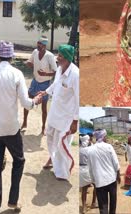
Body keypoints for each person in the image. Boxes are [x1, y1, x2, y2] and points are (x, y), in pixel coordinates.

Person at [0, 41, 42, 212]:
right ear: (11, 56)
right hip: (11, 129)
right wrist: (35, 102)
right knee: (19, 161)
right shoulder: (16, 74)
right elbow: (26, 103)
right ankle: (13, 200)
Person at [40, 44, 79, 180]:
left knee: (62, 143)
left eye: (60, 56)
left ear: (68, 58)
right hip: (55, 113)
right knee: (50, 138)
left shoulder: (75, 75)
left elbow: (79, 99)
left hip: (67, 118)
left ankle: (63, 173)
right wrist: (45, 92)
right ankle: (52, 158)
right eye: (58, 55)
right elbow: (55, 84)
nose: (58, 58)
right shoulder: (59, 69)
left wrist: (75, 121)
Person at [21, 36, 57, 134]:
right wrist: (28, 63)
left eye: (40, 44)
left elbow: (55, 72)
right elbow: (30, 62)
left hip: (45, 83)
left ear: (45, 46)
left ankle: (43, 127)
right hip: (35, 81)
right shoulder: (35, 52)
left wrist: (45, 74)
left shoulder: (50, 56)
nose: (38, 45)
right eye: (38, 43)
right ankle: (24, 122)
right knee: (28, 101)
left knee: (44, 107)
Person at [88, 129, 121, 214]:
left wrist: (93, 181)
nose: (106, 138)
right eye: (105, 136)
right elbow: (116, 163)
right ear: (103, 137)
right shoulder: (109, 147)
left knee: (103, 206)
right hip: (111, 179)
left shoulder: (90, 150)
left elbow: (90, 168)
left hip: (99, 182)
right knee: (113, 202)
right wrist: (118, 175)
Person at [79, 135, 97, 214]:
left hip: (81, 170)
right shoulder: (90, 149)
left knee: (84, 190)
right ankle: (93, 203)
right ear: (87, 141)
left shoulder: (79, 149)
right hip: (89, 170)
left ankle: (83, 207)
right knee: (96, 186)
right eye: (89, 140)